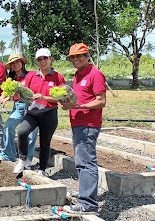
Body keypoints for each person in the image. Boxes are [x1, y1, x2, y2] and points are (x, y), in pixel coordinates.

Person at [61, 43, 106, 214]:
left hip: (88, 124)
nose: (75, 59)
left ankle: (88, 204)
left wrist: (78, 106)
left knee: (86, 162)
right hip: (79, 123)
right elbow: (78, 100)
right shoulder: (79, 74)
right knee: (81, 162)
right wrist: (69, 105)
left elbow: (101, 101)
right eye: (72, 57)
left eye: (79, 55)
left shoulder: (95, 74)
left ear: (88, 56)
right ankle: (85, 193)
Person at [13, 48, 65, 176]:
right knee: (22, 132)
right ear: (36, 61)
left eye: (45, 58)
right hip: (32, 113)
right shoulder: (31, 75)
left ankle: (42, 169)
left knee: (45, 142)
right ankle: (22, 160)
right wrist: (18, 93)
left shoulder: (58, 77)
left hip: (49, 113)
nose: (43, 61)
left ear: (50, 59)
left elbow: (61, 97)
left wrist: (44, 97)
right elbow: (25, 92)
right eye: (39, 59)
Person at [0, 54, 39, 163]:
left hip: (31, 106)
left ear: (22, 63)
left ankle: (27, 160)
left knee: (31, 134)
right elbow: (4, 93)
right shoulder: (11, 79)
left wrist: (13, 95)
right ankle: (9, 154)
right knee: (8, 127)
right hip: (18, 107)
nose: (15, 65)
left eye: (17, 62)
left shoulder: (31, 75)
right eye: (12, 64)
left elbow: (33, 91)